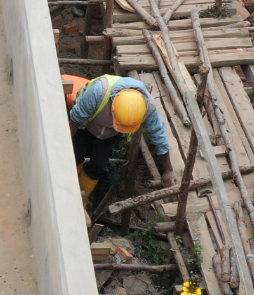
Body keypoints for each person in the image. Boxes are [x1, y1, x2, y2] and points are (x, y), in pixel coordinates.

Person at [64, 73, 176, 215]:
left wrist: (168, 169)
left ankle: (80, 202)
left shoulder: (147, 107)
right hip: (84, 124)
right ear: (113, 107)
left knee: (98, 166)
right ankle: (66, 189)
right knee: (73, 158)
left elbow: (159, 136)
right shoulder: (99, 93)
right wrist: (65, 149)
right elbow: (76, 120)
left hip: (108, 135)